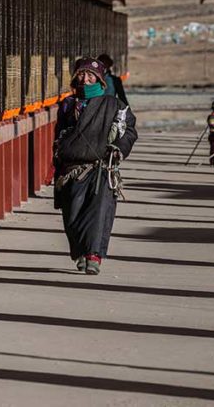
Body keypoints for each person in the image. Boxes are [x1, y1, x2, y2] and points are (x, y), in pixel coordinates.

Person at [53, 57, 138, 275]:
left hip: (101, 167)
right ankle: (81, 253)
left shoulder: (114, 106)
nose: (86, 79)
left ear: (100, 80)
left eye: (91, 75)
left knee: (98, 213)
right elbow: (59, 135)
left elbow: (129, 131)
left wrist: (119, 147)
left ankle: (93, 256)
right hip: (72, 170)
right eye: (81, 74)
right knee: (72, 215)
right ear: (75, 78)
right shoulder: (68, 105)